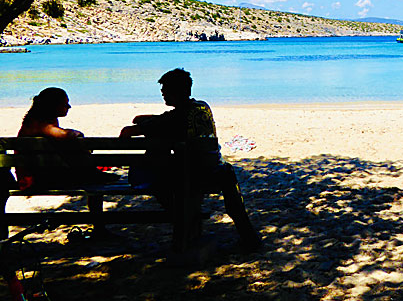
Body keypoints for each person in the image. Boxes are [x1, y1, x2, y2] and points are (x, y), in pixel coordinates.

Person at [119, 69, 261, 251]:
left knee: (160, 178)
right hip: (217, 171)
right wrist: (151, 119)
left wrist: (142, 124)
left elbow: (129, 130)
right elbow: (160, 118)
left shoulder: (174, 119)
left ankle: (184, 221)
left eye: (165, 91)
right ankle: (248, 236)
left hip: (193, 175)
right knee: (225, 177)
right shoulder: (202, 107)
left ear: (175, 92)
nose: (162, 94)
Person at [15, 87, 115, 191]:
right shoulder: (38, 124)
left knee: (74, 153)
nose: (69, 106)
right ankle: (94, 174)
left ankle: (93, 174)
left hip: (44, 174)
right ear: (53, 105)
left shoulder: (37, 120)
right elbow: (64, 135)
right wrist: (77, 134)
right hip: (36, 180)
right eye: (65, 103)